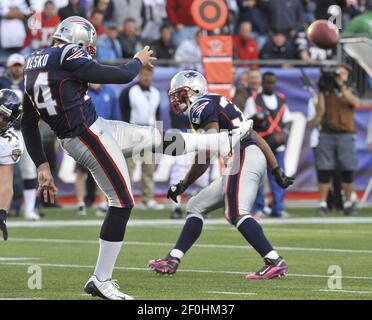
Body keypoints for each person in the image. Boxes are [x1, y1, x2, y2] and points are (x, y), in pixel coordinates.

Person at [21, 16, 253, 300]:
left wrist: (43, 165)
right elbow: (115, 76)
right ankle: (101, 279)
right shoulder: (68, 52)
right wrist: (137, 60)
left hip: (94, 128)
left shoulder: (34, 61)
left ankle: (224, 140)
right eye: (87, 44)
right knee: (123, 201)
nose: (88, 50)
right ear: (77, 38)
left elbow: (28, 123)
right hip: (86, 136)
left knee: (155, 137)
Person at [148, 70, 294, 279]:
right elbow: (255, 136)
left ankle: (274, 261)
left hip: (243, 156)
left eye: (180, 94)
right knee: (196, 206)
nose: (176, 99)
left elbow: (207, 151)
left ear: (194, 91)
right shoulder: (216, 102)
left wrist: (183, 184)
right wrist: (275, 169)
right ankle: (173, 258)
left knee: (236, 211)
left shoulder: (199, 106)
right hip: (248, 155)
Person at [313, 65, 360, 215]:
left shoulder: (350, 88)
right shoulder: (326, 90)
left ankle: (347, 203)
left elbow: (354, 102)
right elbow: (320, 111)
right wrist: (321, 90)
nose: (340, 75)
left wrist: (341, 85)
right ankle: (322, 203)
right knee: (324, 169)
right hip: (327, 133)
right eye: (338, 73)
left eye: (343, 73)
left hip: (345, 134)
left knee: (347, 169)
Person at [244, 72, 293, 218]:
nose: (270, 85)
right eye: (267, 82)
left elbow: (288, 120)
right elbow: (246, 121)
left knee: (278, 176)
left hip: (278, 145)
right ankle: (258, 207)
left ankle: (278, 208)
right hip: (260, 144)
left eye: (272, 82)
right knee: (258, 177)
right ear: (262, 83)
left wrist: (284, 133)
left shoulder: (281, 99)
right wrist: (256, 118)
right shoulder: (253, 100)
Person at [0, 54, 40, 220]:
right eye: (14, 65)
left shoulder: (29, 84)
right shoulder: (2, 83)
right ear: (9, 67)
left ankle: (30, 208)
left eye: (19, 65)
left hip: (20, 132)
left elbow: (6, 184)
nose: (17, 68)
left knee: (28, 169)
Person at [119, 66, 163, 210]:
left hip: (149, 132)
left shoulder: (156, 93)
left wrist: (158, 133)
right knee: (129, 167)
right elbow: (122, 112)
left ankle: (148, 198)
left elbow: (157, 115)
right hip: (133, 130)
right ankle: (127, 198)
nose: (146, 77)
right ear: (139, 75)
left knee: (149, 168)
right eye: (144, 74)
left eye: (149, 75)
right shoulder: (129, 91)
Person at [75, 82, 121, 217]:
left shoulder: (110, 92)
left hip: (104, 136)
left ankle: (102, 203)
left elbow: (116, 116)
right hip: (84, 135)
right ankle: (80, 203)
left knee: (104, 170)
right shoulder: (81, 91)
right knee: (80, 171)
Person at [0, 89, 24, 241]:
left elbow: (5, 184)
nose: (0, 118)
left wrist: (2, 212)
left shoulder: (9, 142)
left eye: (4, 117)